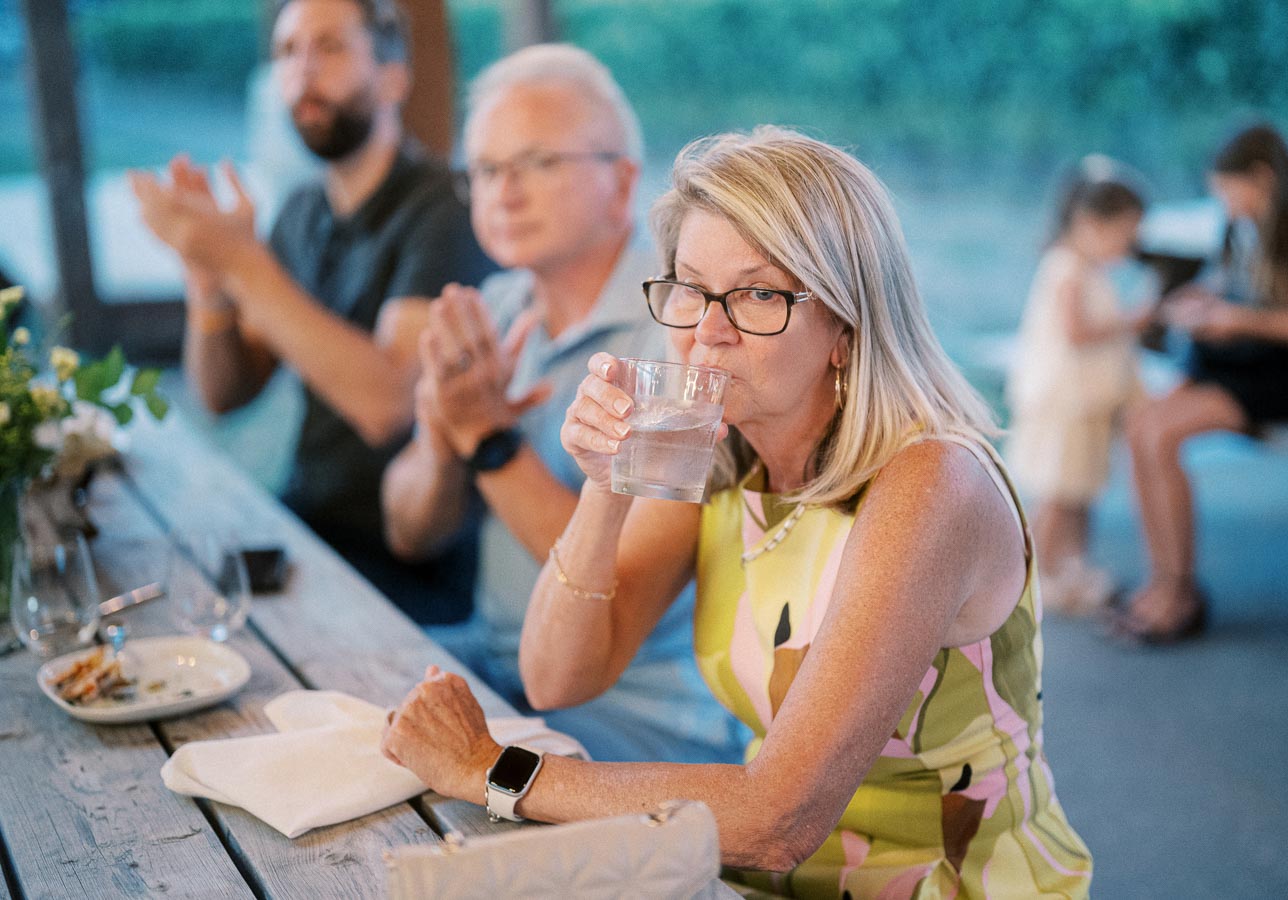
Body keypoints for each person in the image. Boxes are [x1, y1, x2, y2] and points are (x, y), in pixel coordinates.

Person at [381, 127, 1093, 898]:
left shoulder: (931, 484)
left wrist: (491, 770)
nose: (705, 330)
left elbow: (776, 820)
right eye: (690, 286)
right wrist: (607, 483)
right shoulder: (727, 461)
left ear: (844, 332)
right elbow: (557, 675)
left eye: (757, 293)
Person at [379, 44, 744, 764]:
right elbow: (409, 531)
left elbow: (609, 585)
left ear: (622, 183)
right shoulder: (493, 307)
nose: (503, 191)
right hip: (494, 674)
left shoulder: (685, 327)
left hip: (637, 717)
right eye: (484, 169)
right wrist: (440, 437)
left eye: (539, 162)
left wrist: (488, 439)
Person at [128, 0, 494, 622]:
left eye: (329, 47)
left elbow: (386, 404)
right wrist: (210, 281)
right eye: (288, 51)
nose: (302, 71)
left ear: (393, 76)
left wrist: (243, 263)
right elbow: (225, 392)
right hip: (303, 535)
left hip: (404, 575)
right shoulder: (300, 212)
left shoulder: (445, 209)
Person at [1121, 124, 1288, 643]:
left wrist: (1244, 322)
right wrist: (1199, 305)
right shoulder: (1241, 225)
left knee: (1161, 434)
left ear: (1263, 178)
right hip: (1248, 361)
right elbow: (1229, 284)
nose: (1224, 201)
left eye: (1229, 188)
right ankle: (1161, 580)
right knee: (1139, 424)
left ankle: (1181, 593)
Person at [1004, 156, 1152, 614]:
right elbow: (1076, 331)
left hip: (1088, 404)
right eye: (1124, 236)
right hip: (1064, 405)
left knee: (1082, 489)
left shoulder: (1088, 270)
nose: (1129, 249)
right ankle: (1043, 574)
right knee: (1059, 492)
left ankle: (1074, 566)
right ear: (1091, 224)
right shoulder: (1065, 267)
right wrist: (1133, 320)